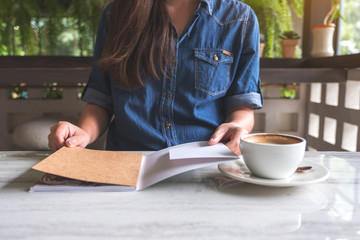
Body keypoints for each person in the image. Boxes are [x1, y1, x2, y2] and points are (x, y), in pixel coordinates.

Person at [48, 0, 263, 155]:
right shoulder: (116, 15)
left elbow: (242, 106)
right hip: (128, 163)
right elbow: (100, 102)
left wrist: (238, 126)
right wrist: (83, 133)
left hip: (204, 163)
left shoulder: (240, 19)